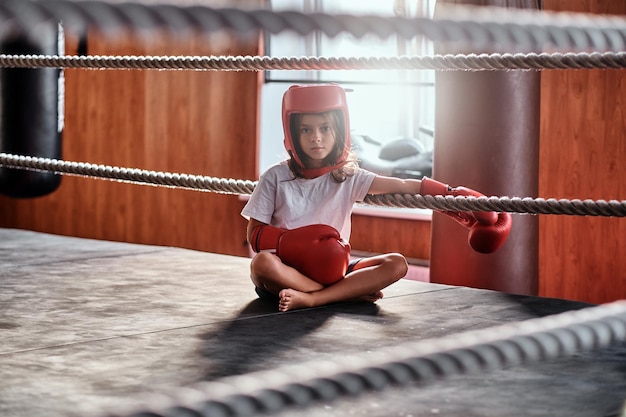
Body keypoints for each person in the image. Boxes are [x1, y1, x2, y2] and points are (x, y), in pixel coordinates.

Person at [241, 84, 511, 312]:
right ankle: (340, 294)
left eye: (325, 128)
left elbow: (403, 185)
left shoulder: (347, 176)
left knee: (396, 263)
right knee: (261, 264)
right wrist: (294, 243)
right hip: (286, 275)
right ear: (292, 132)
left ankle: (316, 298)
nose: (316, 138)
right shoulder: (275, 177)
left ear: (339, 130)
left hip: (334, 270)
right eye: (306, 130)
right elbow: (255, 236)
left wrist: (449, 193)